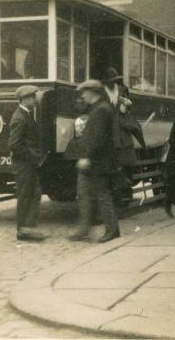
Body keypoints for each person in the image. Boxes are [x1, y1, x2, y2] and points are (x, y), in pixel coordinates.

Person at [69, 79, 120, 243]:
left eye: (85, 92)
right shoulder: (99, 108)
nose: (82, 95)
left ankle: (112, 230)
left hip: (95, 162)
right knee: (84, 194)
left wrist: (86, 157)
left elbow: (96, 139)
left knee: (101, 196)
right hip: (94, 161)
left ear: (93, 92)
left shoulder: (101, 110)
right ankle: (83, 230)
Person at [100, 67, 146, 205]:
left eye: (114, 80)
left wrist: (126, 105)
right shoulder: (101, 91)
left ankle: (125, 193)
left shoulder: (121, 90)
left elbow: (129, 104)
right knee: (113, 166)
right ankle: (116, 197)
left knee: (127, 162)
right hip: (108, 132)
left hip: (123, 131)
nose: (112, 82)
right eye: (109, 80)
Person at [9, 85, 45, 241]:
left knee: (34, 193)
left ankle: (28, 228)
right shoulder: (20, 117)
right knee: (25, 196)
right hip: (24, 164)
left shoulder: (26, 114)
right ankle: (23, 230)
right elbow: (14, 144)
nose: (35, 99)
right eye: (32, 97)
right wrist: (32, 156)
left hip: (27, 163)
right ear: (26, 99)